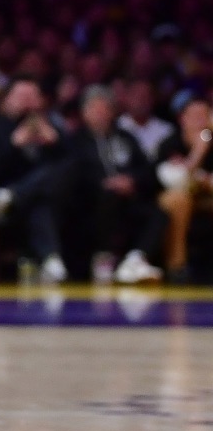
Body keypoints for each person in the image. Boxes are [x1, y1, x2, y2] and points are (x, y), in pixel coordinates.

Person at [64, 85, 166, 283]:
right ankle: (103, 257)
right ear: (84, 113)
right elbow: (72, 176)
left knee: (159, 213)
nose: (100, 113)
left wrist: (131, 181)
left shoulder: (126, 138)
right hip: (90, 203)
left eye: (104, 108)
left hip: (128, 199)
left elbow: (147, 170)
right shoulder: (75, 141)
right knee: (107, 199)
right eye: (94, 109)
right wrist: (104, 184)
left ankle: (135, 258)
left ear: (112, 112)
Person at [0, 77, 68, 282]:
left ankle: (12, 196)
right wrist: (14, 144)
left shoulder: (52, 128)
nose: (27, 102)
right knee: (38, 203)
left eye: (31, 96)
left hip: (44, 199)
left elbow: (72, 167)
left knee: (49, 177)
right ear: (7, 100)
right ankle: (50, 259)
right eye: (21, 96)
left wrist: (54, 143)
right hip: (2, 200)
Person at [155, 94, 213, 282]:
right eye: (194, 115)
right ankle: (177, 267)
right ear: (182, 118)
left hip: (206, 198)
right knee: (178, 200)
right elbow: (174, 181)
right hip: (174, 198)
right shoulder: (170, 143)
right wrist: (198, 153)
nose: (199, 121)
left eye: (204, 116)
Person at [116, 77, 174, 164]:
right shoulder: (116, 127)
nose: (141, 101)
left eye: (146, 96)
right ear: (126, 98)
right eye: (136, 96)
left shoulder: (166, 130)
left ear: (153, 99)